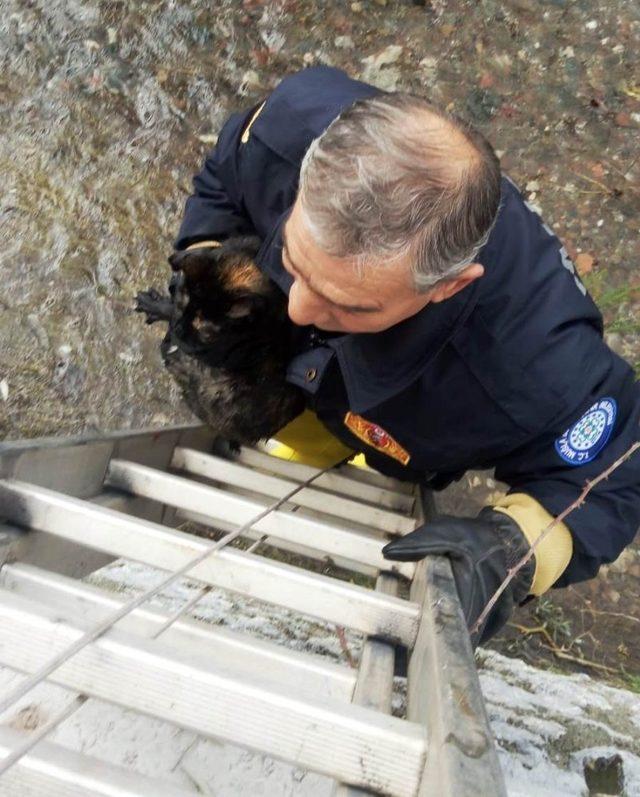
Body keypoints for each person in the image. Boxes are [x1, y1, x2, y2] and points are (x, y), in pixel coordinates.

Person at [174, 66, 640, 646]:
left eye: (351, 305)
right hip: (313, 382)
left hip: (408, 418)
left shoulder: (535, 371)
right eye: (296, 261)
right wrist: (208, 251)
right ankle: (300, 433)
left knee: (366, 442)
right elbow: (227, 170)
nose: (297, 308)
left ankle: (346, 450)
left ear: (447, 286)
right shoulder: (291, 125)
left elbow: (614, 471)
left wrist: (517, 547)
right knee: (252, 401)